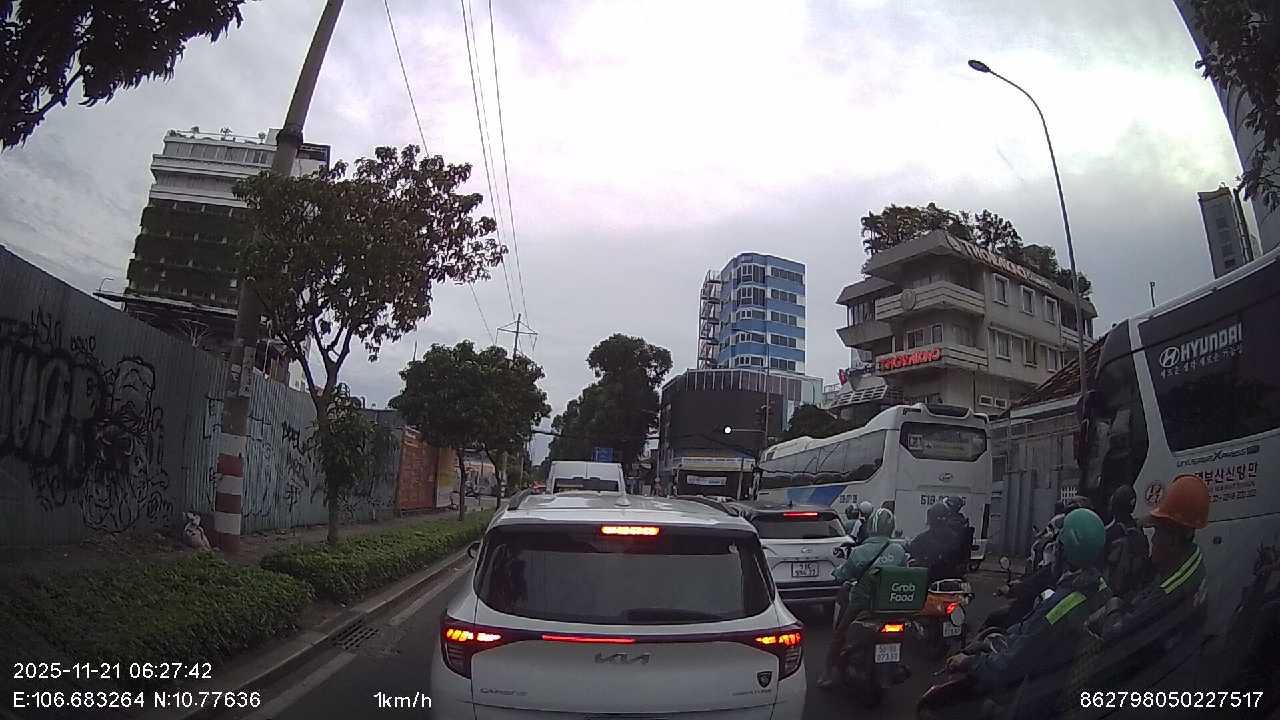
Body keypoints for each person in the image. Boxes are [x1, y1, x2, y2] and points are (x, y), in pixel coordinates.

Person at [945, 508, 1111, 695]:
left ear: (1064, 551)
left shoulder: (1057, 609)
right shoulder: (1099, 587)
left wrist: (970, 662)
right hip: (1068, 680)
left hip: (1041, 691)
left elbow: (1010, 665)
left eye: (1057, 545)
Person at [1087, 474, 1209, 644]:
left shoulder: (1165, 593)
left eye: (1157, 532)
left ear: (1173, 541)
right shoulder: (1192, 557)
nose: (1153, 540)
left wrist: (1113, 605)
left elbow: (1114, 633)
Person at [818, 507, 908, 689]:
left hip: (862, 603)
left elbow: (845, 573)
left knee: (839, 634)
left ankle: (828, 673)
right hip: (891, 605)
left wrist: (837, 573)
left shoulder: (860, 551)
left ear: (871, 526)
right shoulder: (898, 550)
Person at [1102, 484, 1151, 601]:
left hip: (1113, 595)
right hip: (1135, 594)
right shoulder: (1138, 529)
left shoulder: (1110, 533)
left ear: (1114, 505)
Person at [907, 502, 962, 582]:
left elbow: (912, 553)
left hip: (928, 581)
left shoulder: (922, 539)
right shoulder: (955, 538)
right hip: (949, 582)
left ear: (930, 519)